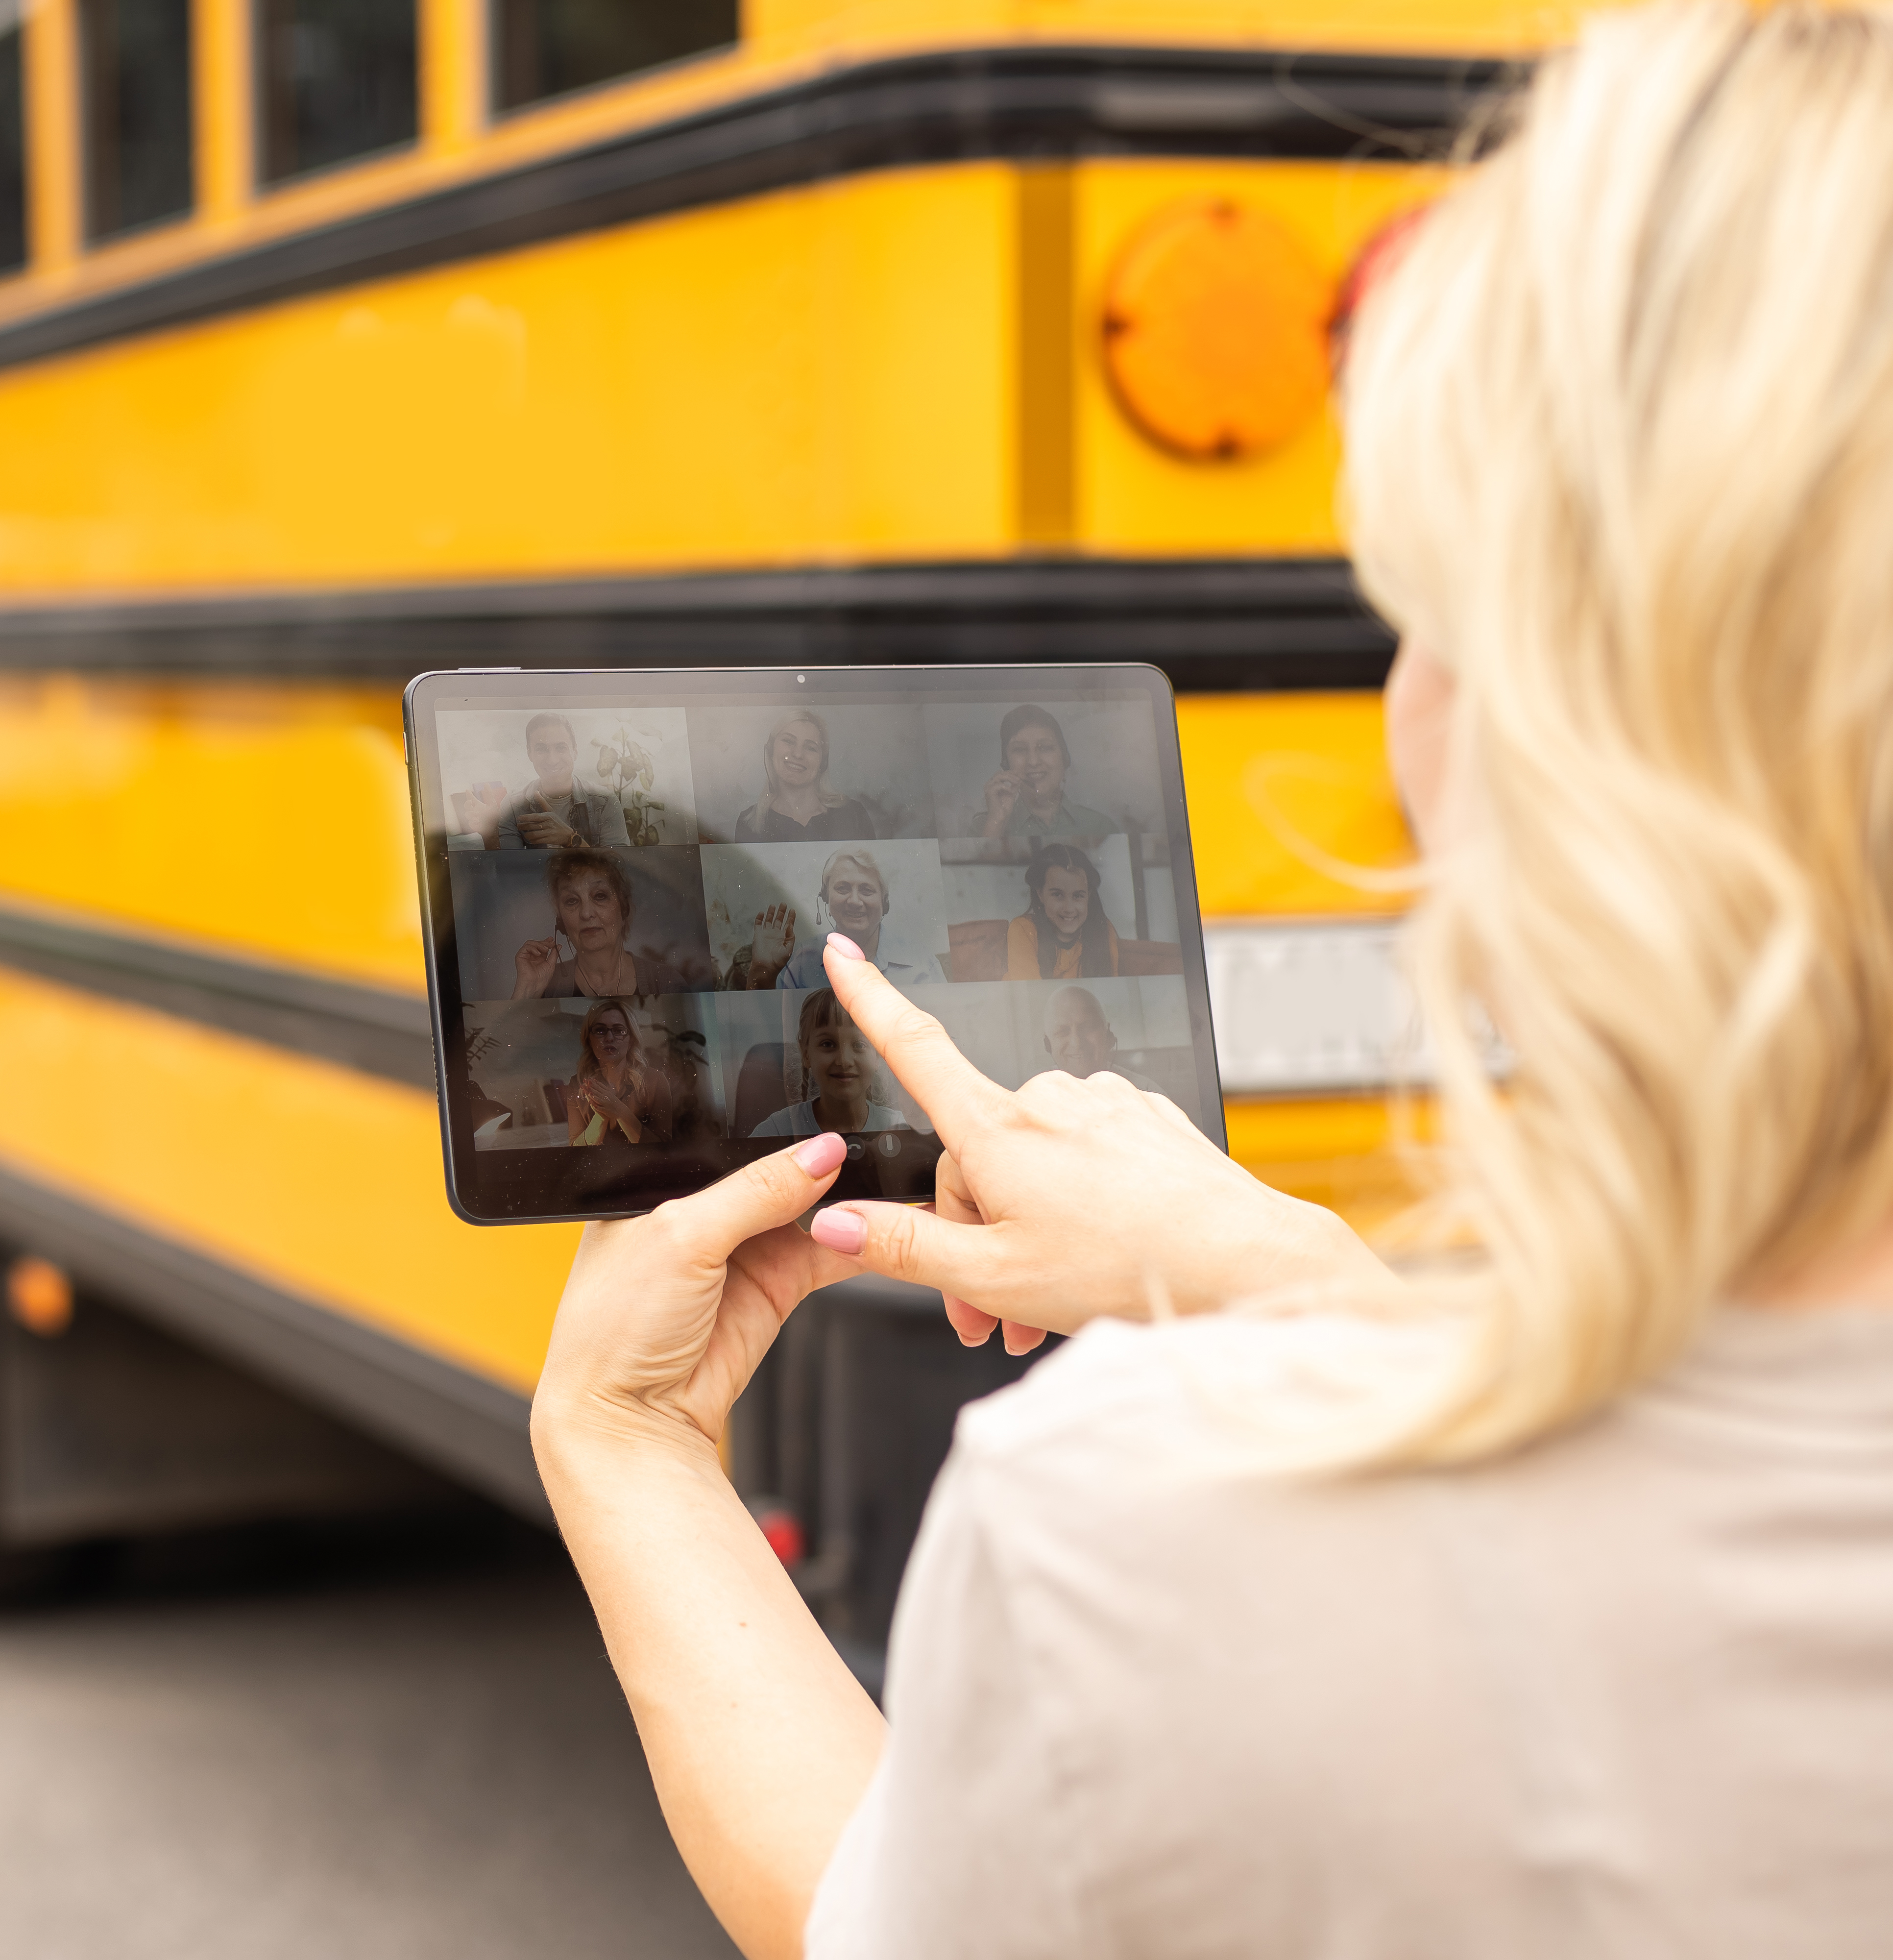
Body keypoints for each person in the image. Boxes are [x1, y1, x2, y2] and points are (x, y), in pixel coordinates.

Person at [521, 11, 1893, 1957]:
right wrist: (1307, 1281)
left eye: (1418, 619)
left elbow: (880, 1918)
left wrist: (628, 1443)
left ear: (1566, 727)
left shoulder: (1141, 1537)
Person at [728, 850, 935, 991]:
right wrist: (763, 971)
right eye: (843, 888)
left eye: (867, 890)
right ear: (826, 898)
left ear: (885, 903)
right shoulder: (802, 963)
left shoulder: (922, 965)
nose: (855, 901)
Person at [510, 850, 698, 998]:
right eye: (572, 901)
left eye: (600, 896)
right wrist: (527, 990)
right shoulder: (546, 983)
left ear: (624, 908)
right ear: (561, 921)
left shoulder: (667, 981)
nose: (586, 914)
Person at [746, 990, 913, 1139]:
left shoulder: (902, 1127)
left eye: (859, 1045)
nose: (845, 1061)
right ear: (806, 1055)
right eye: (828, 1044)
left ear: (877, 1057)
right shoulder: (777, 1131)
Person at [457, 712, 631, 849]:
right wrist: (490, 833)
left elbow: (617, 870)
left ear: (575, 751)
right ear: (530, 753)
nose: (552, 759)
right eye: (542, 749)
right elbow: (507, 872)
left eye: (561, 748)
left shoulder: (606, 801)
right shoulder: (513, 805)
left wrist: (570, 840)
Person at [971, 704, 1118, 841]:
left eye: (1046, 748)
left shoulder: (1101, 826)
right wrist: (997, 823)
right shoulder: (983, 828)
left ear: (1064, 759)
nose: (1033, 762)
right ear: (1006, 763)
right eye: (1020, 750)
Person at [730, 710, 876, 843]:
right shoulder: (749, 822)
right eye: (788, 741)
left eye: (811, 748)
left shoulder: (852, 814)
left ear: (823, 762)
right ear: (771, 749)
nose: (798, 754)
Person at [1002, 841, 1117, 978]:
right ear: (1041, 894)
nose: (1069, 909)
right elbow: (1028, 995)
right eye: (1057, 895)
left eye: (1078, 896)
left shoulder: (1103, 930)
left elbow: (1110, 989)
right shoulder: (1024, 929)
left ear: (1089, 896)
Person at [566, 999, 663, 1146]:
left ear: (631, 1040)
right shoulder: (577, 1084)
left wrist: (617, 1109)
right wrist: (601, 1117)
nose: (609, 1038)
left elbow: (663, 1150)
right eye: (600, 1030)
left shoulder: (656, 1080)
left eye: (619, 1031)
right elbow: (574, 1149)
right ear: (589, 1039)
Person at [1042, 983, 1157, 1091]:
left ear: (1108, 1036)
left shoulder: (1146, 1091)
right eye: (1063, 1032)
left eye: (1088, 1028)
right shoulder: (1034, 1095)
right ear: (1048, 1044)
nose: (1077, 1043)